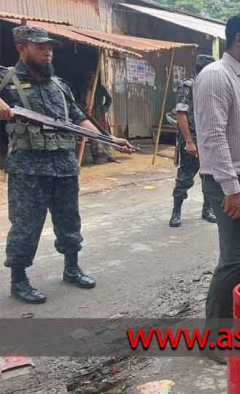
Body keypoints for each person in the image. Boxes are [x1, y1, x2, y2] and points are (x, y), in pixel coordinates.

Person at [0, 26, 135, 304]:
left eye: (50, 47)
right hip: (28, 168)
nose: (48, 52)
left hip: (64, 165)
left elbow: (78, 118)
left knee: (69, 221)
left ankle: (71, 268)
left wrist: (110, 139)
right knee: (25, 225)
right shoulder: (6, 80)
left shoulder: (60, 85)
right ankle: (19, 280)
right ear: (21, 49)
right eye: (40, 47)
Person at [193, 14, 240, 346]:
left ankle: (228, 321)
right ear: (239, 39)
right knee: (235, 258)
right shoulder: (216, 77)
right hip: (234, 185)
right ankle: (215, 337)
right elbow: (212, 138)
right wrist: (232, 190)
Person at [168, 54, 217, 228]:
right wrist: (189, 141)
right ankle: (176, 212)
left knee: (209, 177)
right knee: (185, 178)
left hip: (209, 141)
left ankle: (207, 209)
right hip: (193, 140)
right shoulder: (189, 86)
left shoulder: (212, 88)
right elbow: (181, 114)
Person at [81, 70, 115, 165]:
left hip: (99, 114)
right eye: (88, 78)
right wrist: (84, 109)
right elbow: (81, 101)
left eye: (91, 78)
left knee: (104, 134)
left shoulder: (100, 88)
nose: (90, 80)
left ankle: (109, 155)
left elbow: (109, 99)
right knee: (93, 135)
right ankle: (97, 156)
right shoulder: (84, 88)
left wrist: (104, 108)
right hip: (89, 115)